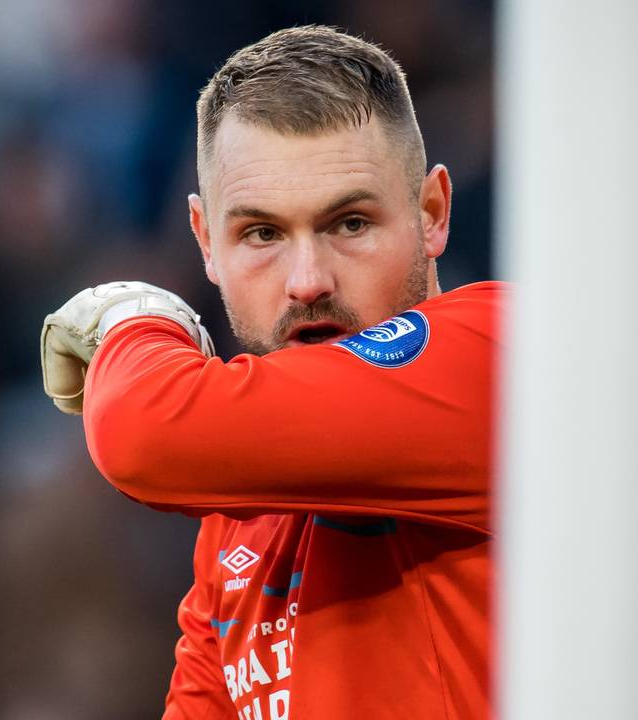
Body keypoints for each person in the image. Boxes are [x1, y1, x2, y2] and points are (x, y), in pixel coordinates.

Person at [39, 26, 502, 720]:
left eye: (349, 223)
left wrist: (132, 315)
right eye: (262, 234)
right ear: (205, 243)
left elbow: (144, 430)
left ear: (431, 213)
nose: (307, 281)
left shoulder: (497, 353)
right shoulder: (237, 518)